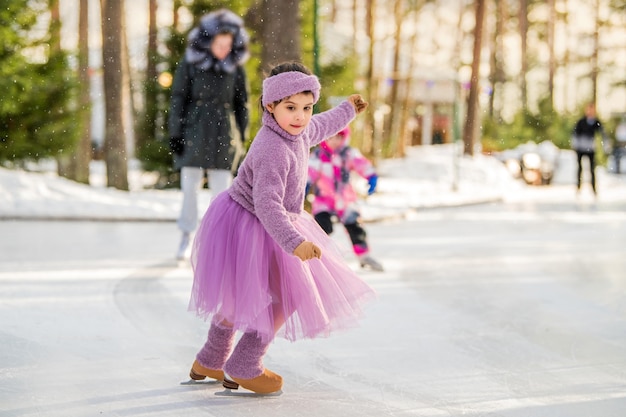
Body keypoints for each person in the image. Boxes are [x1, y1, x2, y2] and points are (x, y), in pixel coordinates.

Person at [186, 62, 375, 394]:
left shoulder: (298, 131)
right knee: (285, 295)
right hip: (251, 222)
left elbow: (322, 124)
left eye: (306, 107)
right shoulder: (273, 148)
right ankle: (244, 363)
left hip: (267, 221)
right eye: (291, 108)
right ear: (270, 106)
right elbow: (267, 204)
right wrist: (294, 242)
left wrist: (348, 109)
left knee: (242, 295)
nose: (300, 116)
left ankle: (212, 359)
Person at [168, 9, 249, 260]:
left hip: (224, 133)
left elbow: (241, 103)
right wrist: (176, 133)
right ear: (208, 41)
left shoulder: (235, 68)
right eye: (219, 43)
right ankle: (186, 234)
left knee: (222, 192)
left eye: (228, 44)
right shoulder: (191, 64)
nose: (224, 49)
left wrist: (242, 136)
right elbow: (179, 98)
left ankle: (219, 239)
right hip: (195, 129)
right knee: (190, 186)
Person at [307, 127, 383, 271]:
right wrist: (304, 184)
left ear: (344, 138)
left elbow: (362, 164)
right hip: (323, 200)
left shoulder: (348, 154)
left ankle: (364, 255)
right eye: (330, 138)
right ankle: (318, 257)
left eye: (338, 138)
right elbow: (309, 171)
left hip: (345, 199)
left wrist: (371, 176)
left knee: (355, 226)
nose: (334, 142)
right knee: (321, 227)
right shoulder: (318, 156)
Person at [571, 102, 608, 195]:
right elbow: (575, 134)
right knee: (580, 168)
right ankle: (578, 187)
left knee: (592, 169)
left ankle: (593, 188)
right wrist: (575, 145)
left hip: (590, 148)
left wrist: (605, 145)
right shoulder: (581, 122)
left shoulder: (595, 122)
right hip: (581, 148)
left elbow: (603, 134)